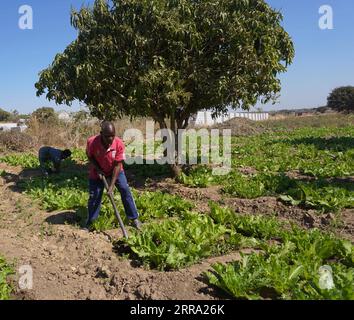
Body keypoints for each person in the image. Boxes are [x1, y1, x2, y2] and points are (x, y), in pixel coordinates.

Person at [85, 121, 142, 231]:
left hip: (115, 170)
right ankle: (90, 222)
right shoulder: (92, 142)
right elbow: (90, 156)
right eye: (107, 136)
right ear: (101, 133)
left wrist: (111, 186)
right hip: (97, 172)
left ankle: (134, 218)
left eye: (113, 136)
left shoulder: (119, 144)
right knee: (94, 195)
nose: (110, 139)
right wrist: (98, 169)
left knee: (125, 190)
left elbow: (117, 165)